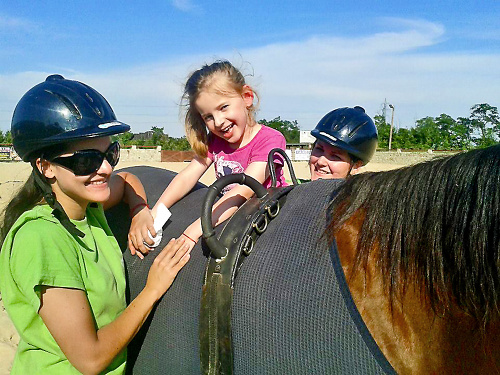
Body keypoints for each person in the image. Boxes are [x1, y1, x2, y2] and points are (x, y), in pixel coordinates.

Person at [0, 75, 191, 374]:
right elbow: (90, 359)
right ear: (46, 166)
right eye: (86, 160)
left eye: (109, 154)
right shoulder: (41, 237)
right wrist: (153, 290)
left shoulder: (88, 208)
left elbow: (127, 180)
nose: (104, 169)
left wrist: (140, 209)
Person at [149, 60, 287, 250]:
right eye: (208, 117)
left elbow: (243, 191)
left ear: (246, 97)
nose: (219, 122)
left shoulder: (270, 140)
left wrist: (195, 230)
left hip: (267, 214)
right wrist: (156, 211)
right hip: (232, 213)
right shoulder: (215, 142)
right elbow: (187, 177)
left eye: (224, 107)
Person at [307, 106, 377, 181]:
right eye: (319, 149)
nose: (321, 162)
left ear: (356, 166)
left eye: (335, 156)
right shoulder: (295, 190)